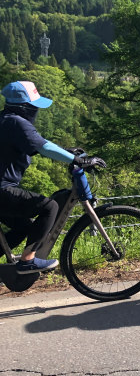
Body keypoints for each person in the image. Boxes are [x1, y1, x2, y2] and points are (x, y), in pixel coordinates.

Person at [0, 80, 105, 275]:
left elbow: (38, 144)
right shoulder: (16, 122)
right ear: (24, 106)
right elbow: (44, 147)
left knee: (23, 227)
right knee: (50, 207)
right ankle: (27, 261)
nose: (35, 111)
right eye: (33, 106)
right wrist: (78, 160)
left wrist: (67, 153)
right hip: (2, 189)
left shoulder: (6, 119)